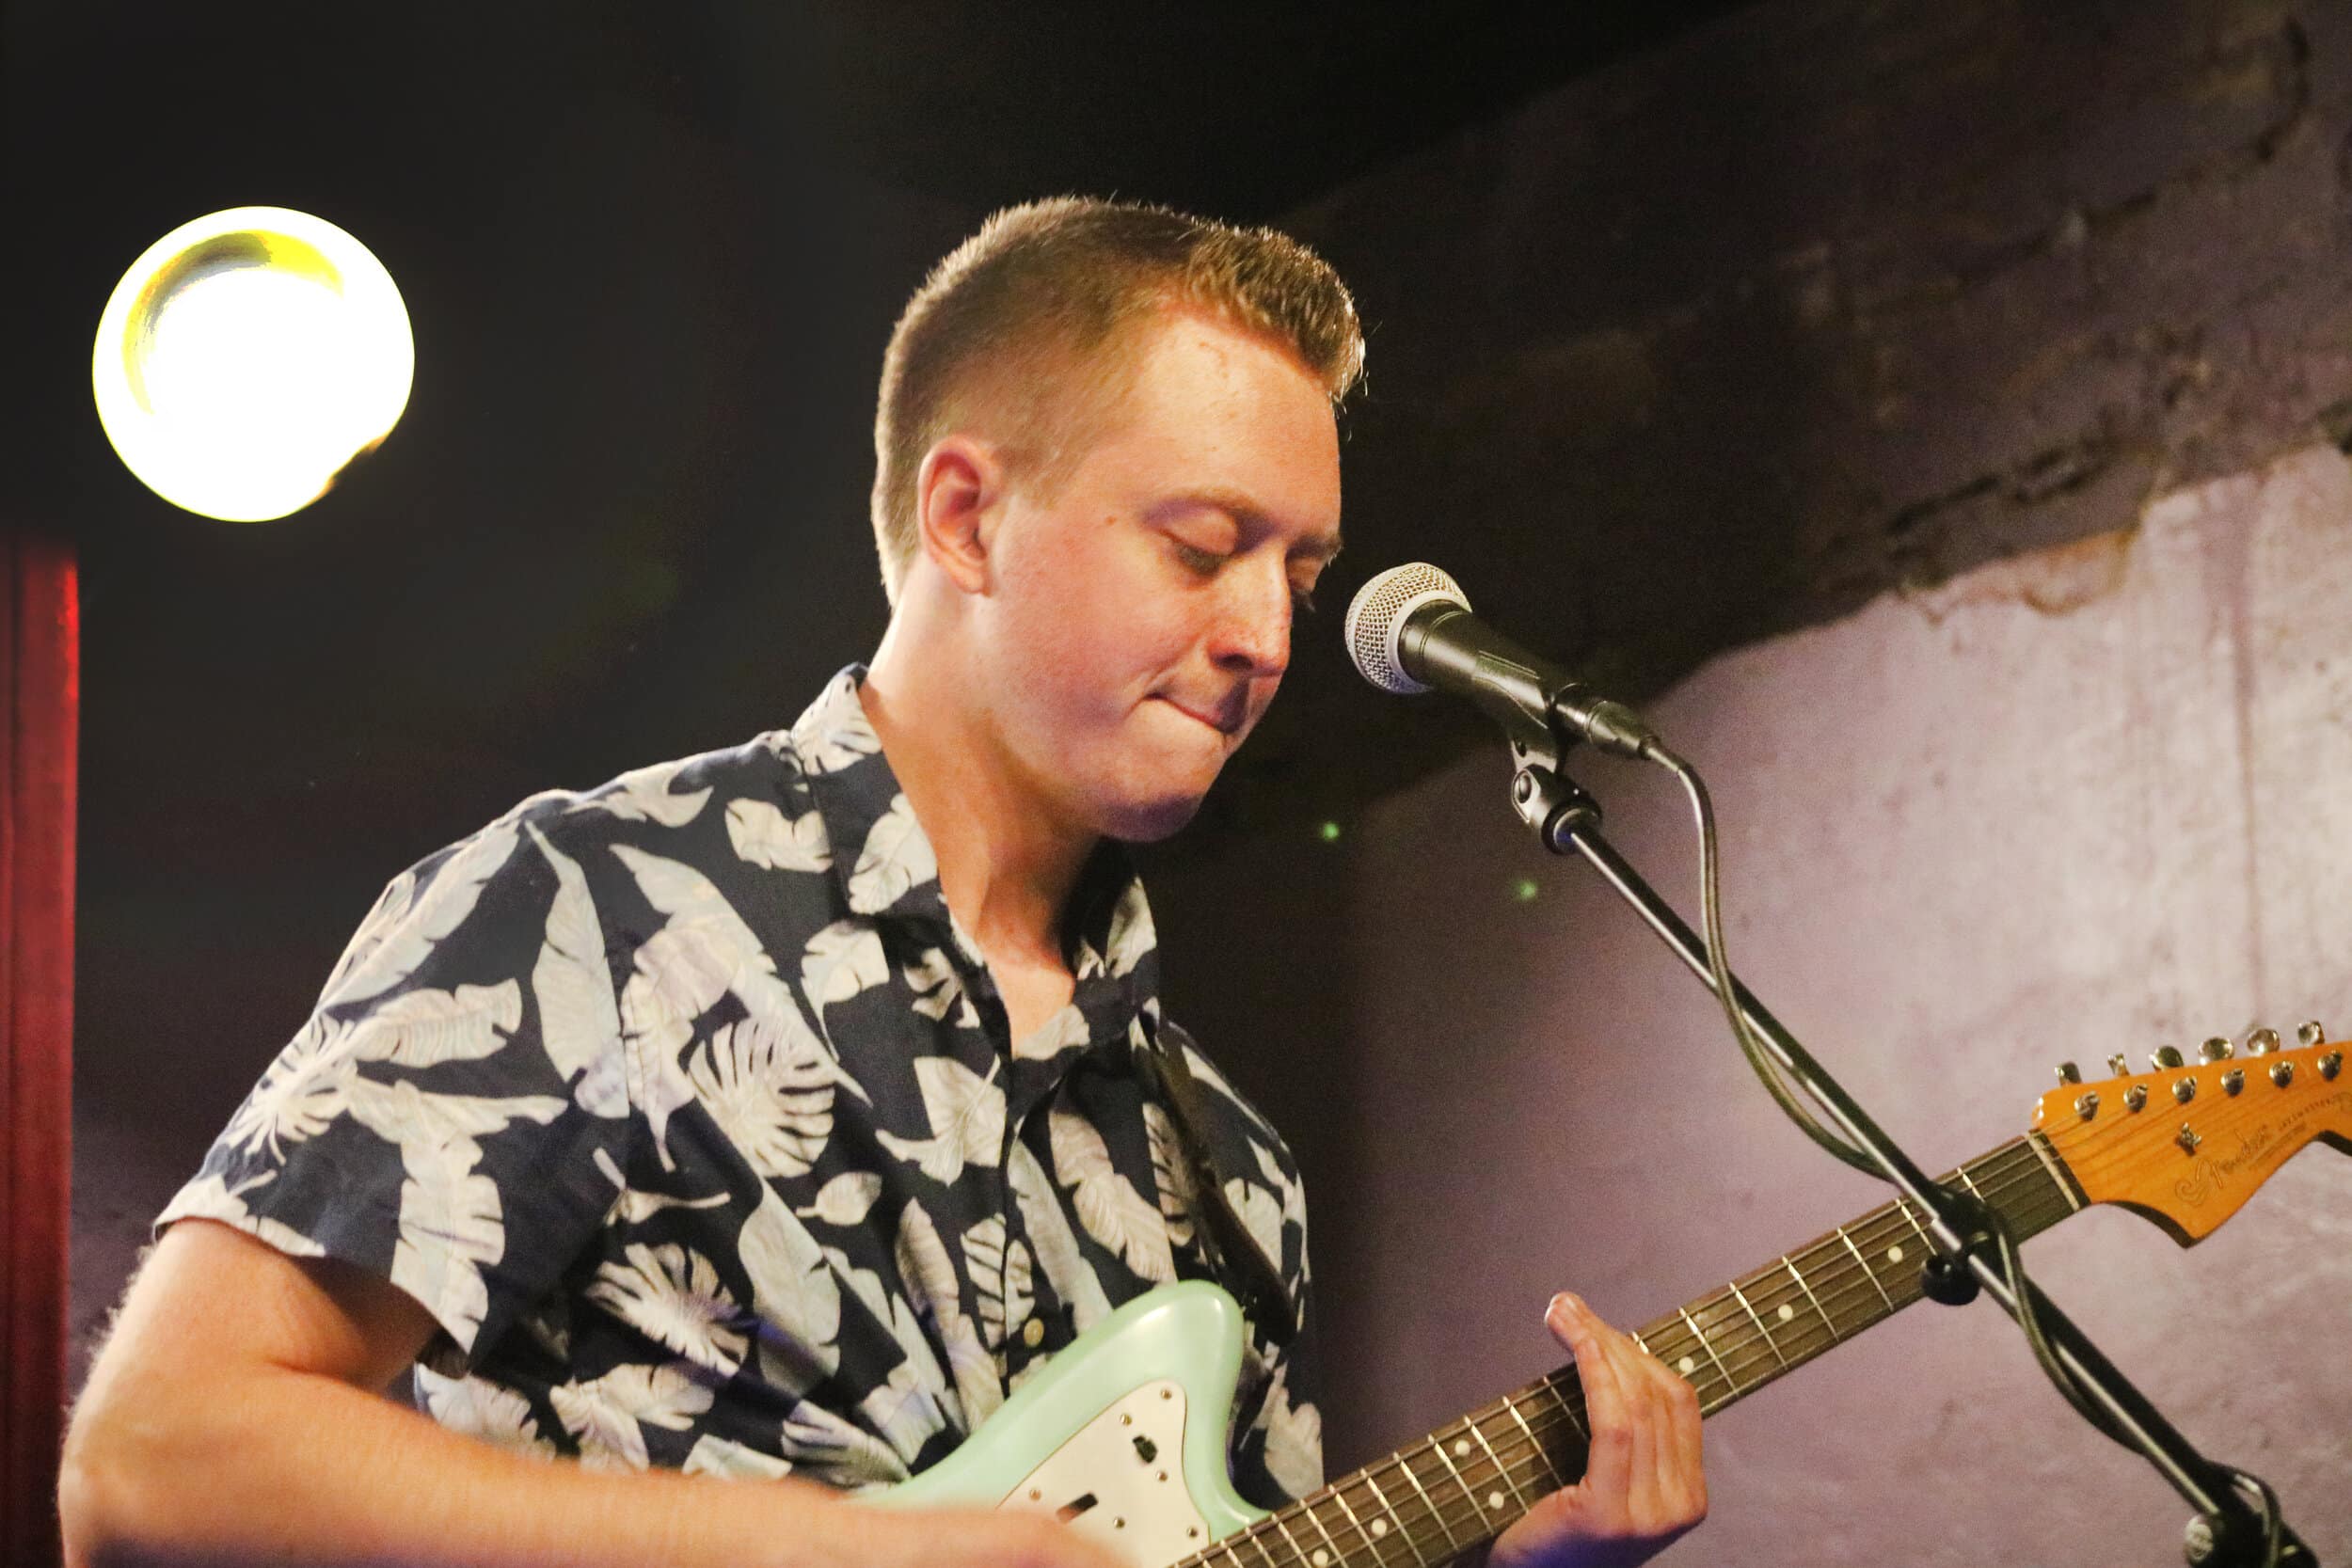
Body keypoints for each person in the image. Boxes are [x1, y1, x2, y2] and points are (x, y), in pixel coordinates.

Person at [60, 198, 1707, 1568]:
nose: (1266, 638)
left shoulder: (1231, 1173)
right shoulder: (602, 912)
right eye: (1204, 546)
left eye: (1300, 571)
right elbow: (151, 1465)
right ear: (970, 517)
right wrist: (836, 1548)